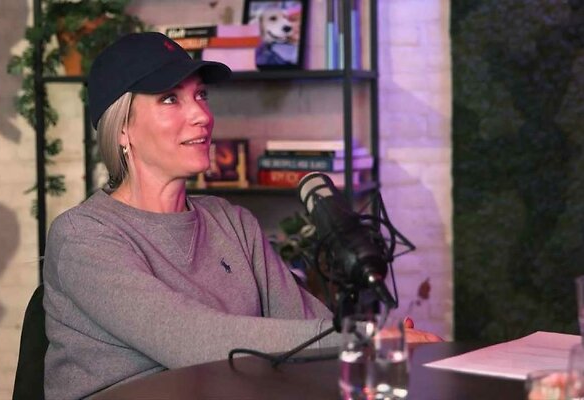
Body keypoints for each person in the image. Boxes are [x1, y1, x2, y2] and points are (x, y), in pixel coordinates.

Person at [42, 32, 441, 400]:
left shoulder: (231, 222)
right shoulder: (83, 236)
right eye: (170, 99)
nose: (201, 115)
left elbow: (307, 326)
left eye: (200, 95)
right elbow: (191, 339)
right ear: (121, 129)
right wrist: (361, 341)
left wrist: (372, 344)